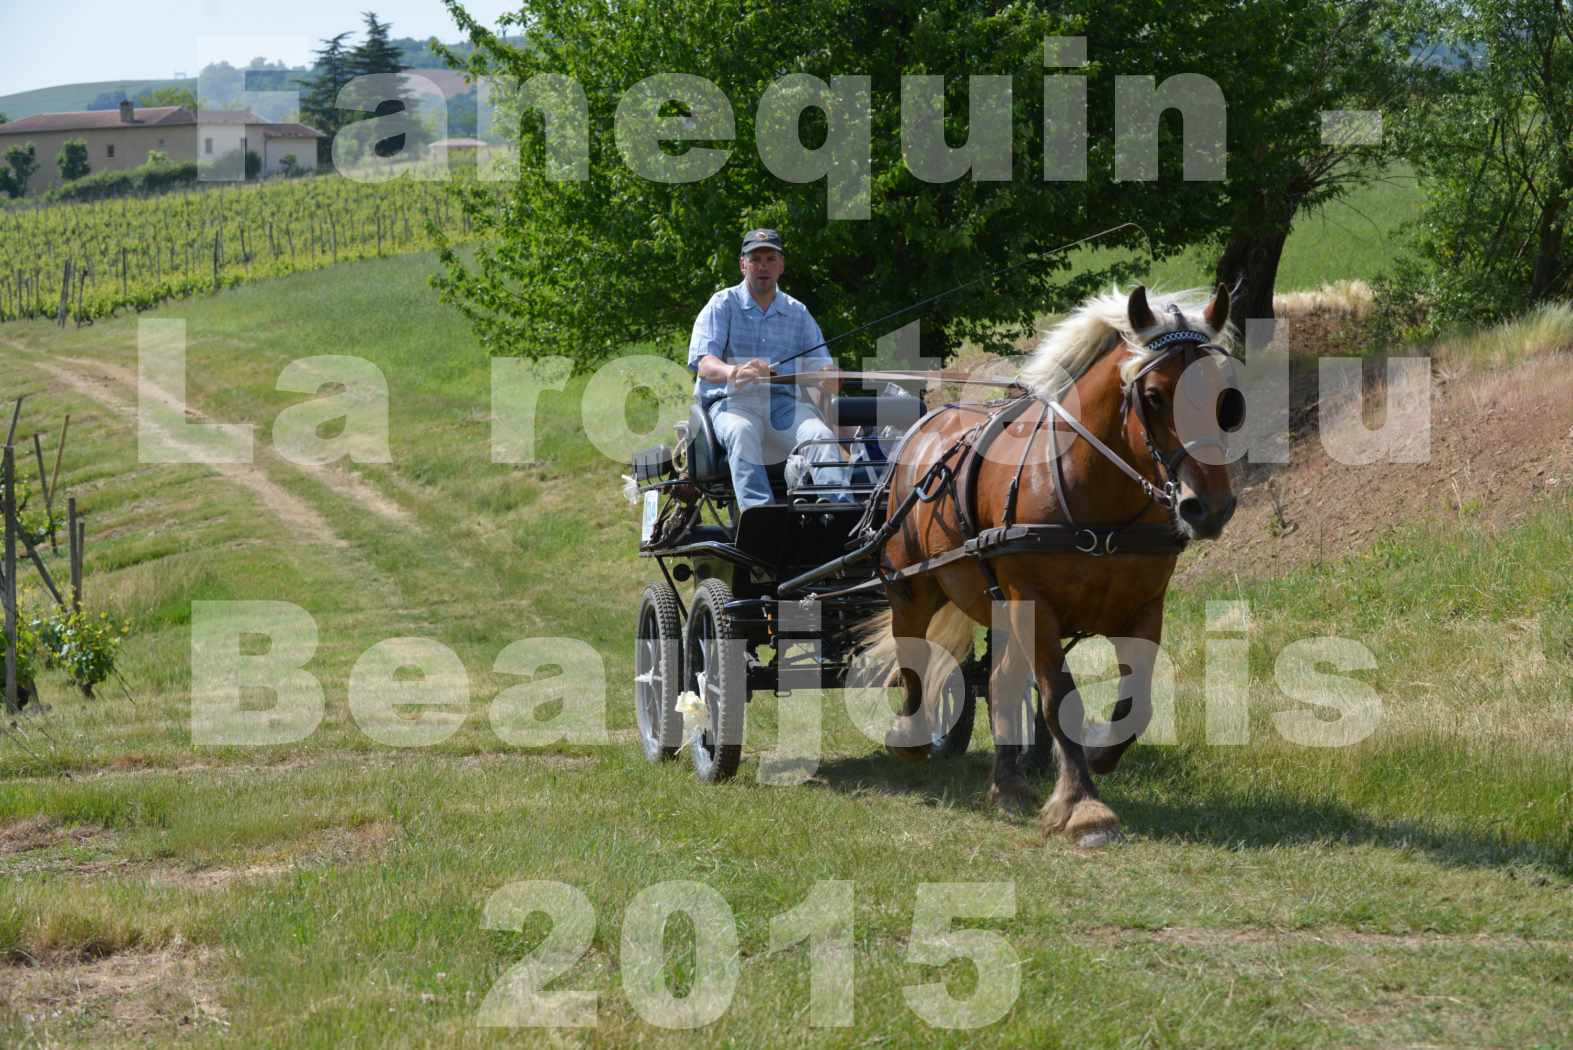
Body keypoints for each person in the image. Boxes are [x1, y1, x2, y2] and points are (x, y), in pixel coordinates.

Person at [688, 229, 852, 511]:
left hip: (783, 405)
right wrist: (733, 372)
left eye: (770, 258)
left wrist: (830, 377)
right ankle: (759, 515)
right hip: (732, 404)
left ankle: (838, 511)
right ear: (743, 264)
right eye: (755, 259)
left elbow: (822, 369)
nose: (762, 266)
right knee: (742, 432)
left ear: (781, 265)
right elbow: (705, 363)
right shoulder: (722, 304)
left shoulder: (798, 312)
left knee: (820, 435)